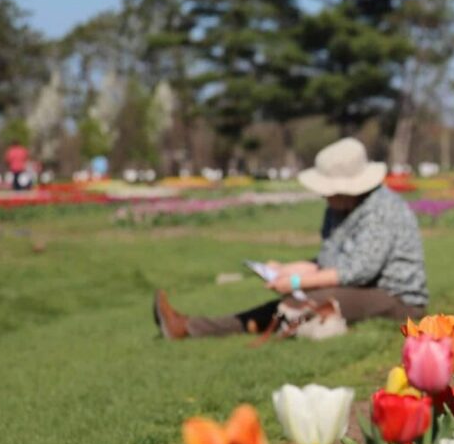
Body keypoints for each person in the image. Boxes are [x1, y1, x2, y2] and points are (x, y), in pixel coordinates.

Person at [153, 138, 429, 339]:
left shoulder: (382, 209)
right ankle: (193, 327)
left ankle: (192, 328)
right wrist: (286, 270)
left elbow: (357, 271)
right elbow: (328, 261)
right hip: (360, 286)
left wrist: (296, 282)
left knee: (305, 298)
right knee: (300, 298)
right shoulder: (339, 208)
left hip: (396, 298)